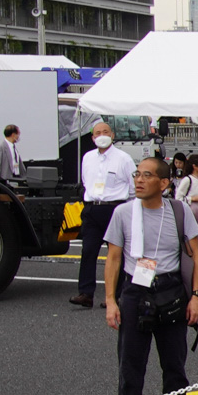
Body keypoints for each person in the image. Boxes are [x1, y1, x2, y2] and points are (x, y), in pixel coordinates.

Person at [103, 156, 198, 395]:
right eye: (137, 174)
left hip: (170, 289)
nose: (139, 180)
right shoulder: (123, 213)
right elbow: (112, 259)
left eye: (147, 175)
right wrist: (111, 301)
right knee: (130, 366)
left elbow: (196, 258)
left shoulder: (178, 210)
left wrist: (196, 297)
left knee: (174, 365)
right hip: (135, 290)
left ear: (163, 183)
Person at [71, 121, 135, 308]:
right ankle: (85, 293)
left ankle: (116, 295)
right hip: (92, 208)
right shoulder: (88, 158)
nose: (102, 135)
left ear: (112, 135)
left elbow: (132, 188)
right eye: (97, 133)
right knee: (88, 250)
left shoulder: (124, 159)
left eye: (105, 132)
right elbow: (86, 181)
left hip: (114, 209)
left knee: (116, 253)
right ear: (92, 137)